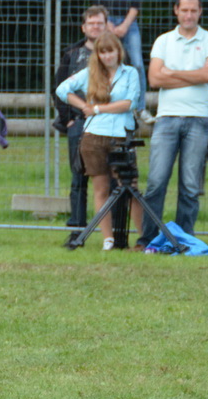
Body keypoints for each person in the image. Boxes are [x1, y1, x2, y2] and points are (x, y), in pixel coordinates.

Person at [138, 0, 208, 246]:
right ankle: (149, 238)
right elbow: (154, 79)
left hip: (198, 119)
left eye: (193, 10)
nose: (189, 15)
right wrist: (194, 73)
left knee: (190, 185)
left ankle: (184, 239)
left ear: (200, 12)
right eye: (184, 10)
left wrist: (172, 73)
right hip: (166, 119)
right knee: (156, 181)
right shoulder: (163, 40)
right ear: (176, 10)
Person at [54, 31, 143, 251]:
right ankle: (108, 239)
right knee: (101, 189)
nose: (107, 56)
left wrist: (95, 108)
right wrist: (82, 106)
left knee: (130, 187)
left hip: (122, 136)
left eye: (110, 51)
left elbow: (129, 103)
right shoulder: (89, 73)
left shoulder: (130, 73)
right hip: (94, 137)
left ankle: (143, 237)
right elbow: (62, 89)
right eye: (102, 52)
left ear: (118, 51)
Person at [51, 5, 108, 230]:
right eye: (92, 23)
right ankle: (77, 226)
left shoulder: (117, 52)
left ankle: (110, 230)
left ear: (106, 27)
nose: (95, 27)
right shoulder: (71, 55)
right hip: (79, 123)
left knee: (108, 178)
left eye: (100, 24)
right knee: (78, 177)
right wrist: (68, 120)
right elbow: (58, 88)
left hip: (108, 123)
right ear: (84, 27)